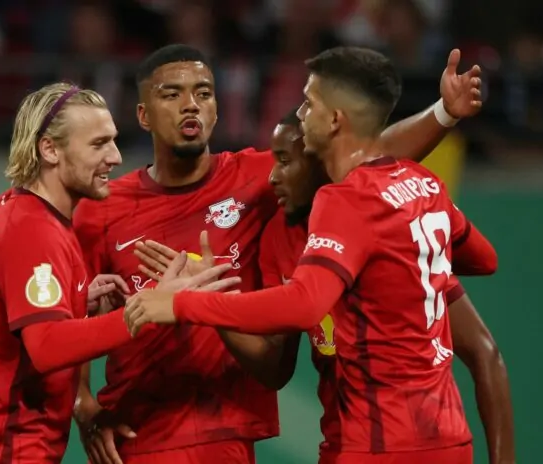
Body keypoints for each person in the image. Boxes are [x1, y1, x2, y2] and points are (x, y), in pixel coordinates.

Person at [73, 44, 484, 464]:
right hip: (137, 432)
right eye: (172, 94)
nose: (190, 104)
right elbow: (72, 309)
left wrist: (443, 114)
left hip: (227, 432)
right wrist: (82, 400)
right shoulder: (99, 210)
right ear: (143, 115)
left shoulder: (258, 180)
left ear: (217, 109)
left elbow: (365, 154)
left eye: (203, 93)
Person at [134, 110, 515, 464]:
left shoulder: (384, 226)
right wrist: (209, 297)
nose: (272, 176)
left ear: (321, 163)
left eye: (286, 160)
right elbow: (274, 370)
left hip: (415, 441)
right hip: (345, 446)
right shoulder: (281, 239)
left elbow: (485, 352)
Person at [0, 82, 238, 463]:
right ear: (50, 149)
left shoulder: (12, 207)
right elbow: (47, 346)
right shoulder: (34, 229)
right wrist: (149, 309)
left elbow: (9, 316)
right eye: (98, 144)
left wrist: (73, 301)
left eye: (113, 141)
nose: (115, 157)